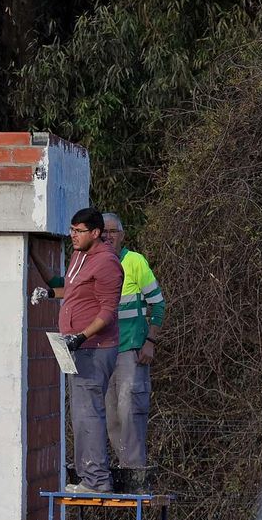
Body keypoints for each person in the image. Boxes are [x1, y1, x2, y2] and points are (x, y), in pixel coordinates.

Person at [30, 207, 123, 493]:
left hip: (93, 349)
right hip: (76, 346)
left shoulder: (107, 263)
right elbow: (68, 289)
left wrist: (80, 337)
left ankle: (97, 481)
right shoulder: (79, 256)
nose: (73, 235)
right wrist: (47, 289)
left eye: (79, 231)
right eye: (72, 230)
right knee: (81, 413)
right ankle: (89, 478)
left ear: (95, 233)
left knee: (89, 412)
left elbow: (108, 311)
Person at [102, 213, 165, 491]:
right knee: (110, 415)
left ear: (123, 234)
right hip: (103, 353)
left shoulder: (135, 262)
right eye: (102, 232)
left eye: (113, 231)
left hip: (131, 350)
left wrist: (151, 341)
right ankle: (123, 468)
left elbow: (159, 305)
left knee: (130, 409)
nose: (107, 236)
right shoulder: (95, 264)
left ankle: (136, 473)